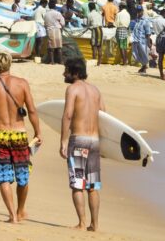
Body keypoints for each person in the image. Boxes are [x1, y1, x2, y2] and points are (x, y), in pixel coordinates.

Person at [0, 52, 42, 224]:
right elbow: (32, 111)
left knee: (4, 177)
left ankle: (12, 215)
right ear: (10, 63)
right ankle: (20, 211)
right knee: (23, 174)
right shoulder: (22, 84)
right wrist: (38, 132)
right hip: (19, 134)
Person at [60, 57, 104, 232]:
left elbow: (68, 115)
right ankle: (95, 224)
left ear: (76, 72)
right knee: (92, 186)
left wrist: (63, 140)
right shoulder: (95, 90)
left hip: (78, 140)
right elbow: (104, 115)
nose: (64, 73)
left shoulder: (72, 89)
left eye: (67, 70)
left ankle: (81, 223)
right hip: (94, 141)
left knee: (78, 184)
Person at [130, 10, 153, 75]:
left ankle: (144, 67)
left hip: (142, 41)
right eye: (137, 11)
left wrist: (148, 42)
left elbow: (148, 33)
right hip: (136, 40)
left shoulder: (146, 21)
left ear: (142, 12)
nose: (138, 13)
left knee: (143, 54)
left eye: (139, 11)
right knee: (135, 54)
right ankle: (144, 66)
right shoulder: (137, 20)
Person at [151, 11, 165, 80]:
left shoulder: (154, 20)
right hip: (164, 39)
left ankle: (161, 74)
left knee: (160, 57)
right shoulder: (163, 20)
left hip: (158, 39)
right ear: (164, 14)